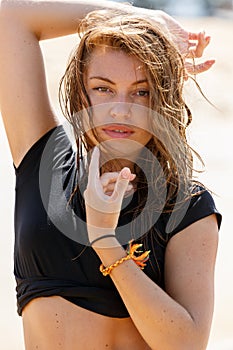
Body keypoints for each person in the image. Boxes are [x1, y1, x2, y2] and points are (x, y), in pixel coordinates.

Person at [0, 1, 221, 349]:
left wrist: (104, 238)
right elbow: (9, 16)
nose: (121, 108)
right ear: (81, 93)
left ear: (161, 99)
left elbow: (186, 343)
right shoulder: (44, 163)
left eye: (141, 92)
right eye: (103, 88)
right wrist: (140, 16)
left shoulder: (186, 206)